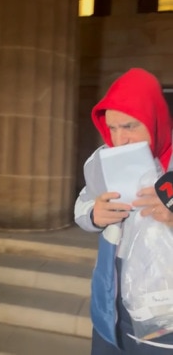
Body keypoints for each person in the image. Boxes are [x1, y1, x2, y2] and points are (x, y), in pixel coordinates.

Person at [74, 68, 173, 355]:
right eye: (113, 128)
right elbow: (83, 202)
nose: (119, 139)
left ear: (155, 118)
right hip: (112, 302)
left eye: (129, 126)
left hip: (164, 314)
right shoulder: (102, 160)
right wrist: (94, 213)